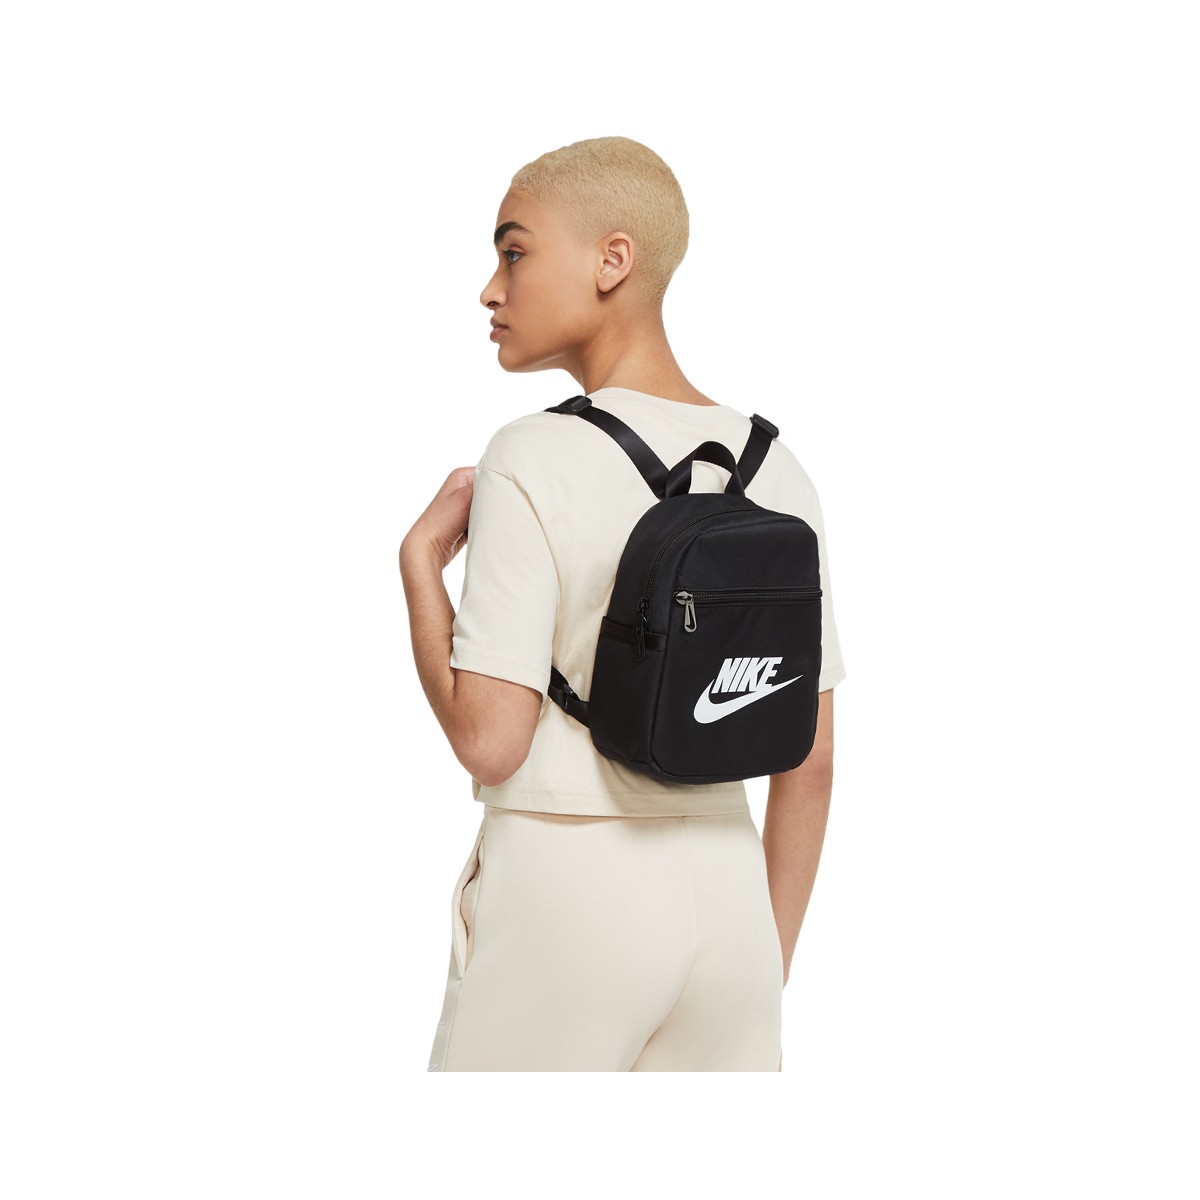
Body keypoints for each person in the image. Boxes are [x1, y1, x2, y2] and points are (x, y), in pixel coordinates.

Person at [399, 136, 846, 1071]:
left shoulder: (533, 452)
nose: (490, 289)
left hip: (567, 894)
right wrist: (761, 966)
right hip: (731, 899)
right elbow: (809, 760)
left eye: (513, 252)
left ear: (613, 261)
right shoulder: (779, 470)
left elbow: (490, 740)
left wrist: (419, 569)